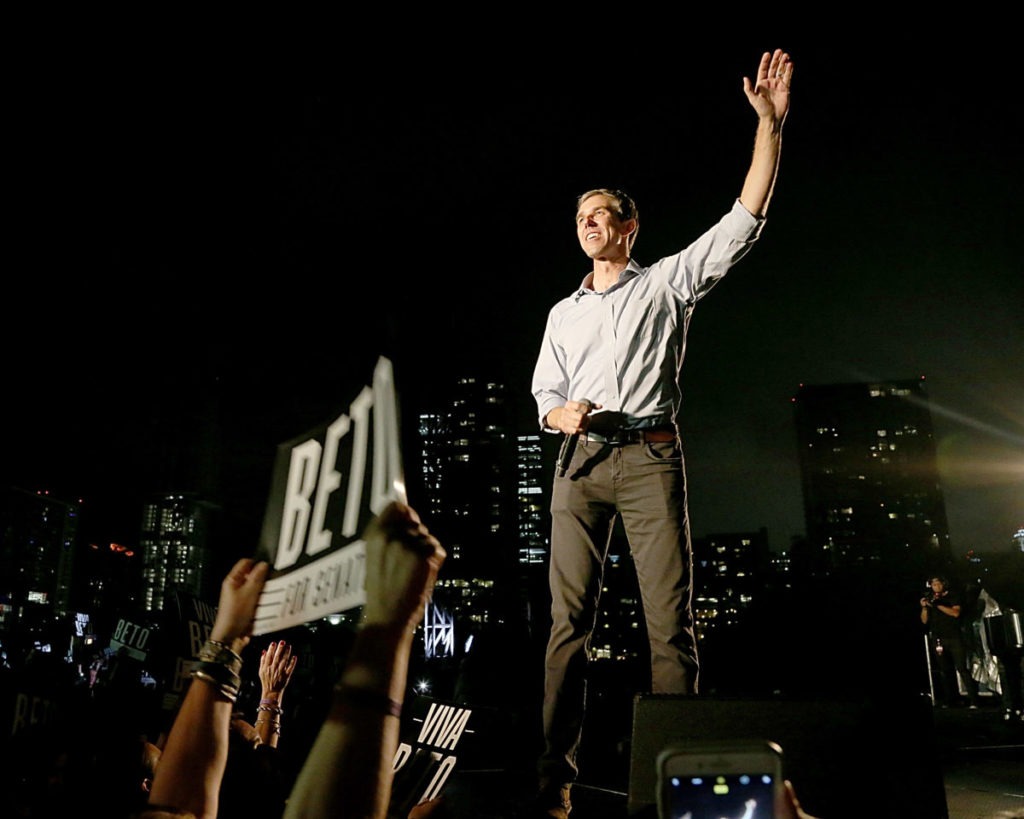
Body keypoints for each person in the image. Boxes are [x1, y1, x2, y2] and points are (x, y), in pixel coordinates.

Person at [529, 48, 793, 818]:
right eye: (579, 217)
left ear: (628, 226)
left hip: (649, 457)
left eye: (600, 214)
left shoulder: (669, 282)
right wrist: (560, 415)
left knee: (669, 626)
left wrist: (769, 127)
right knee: (564, 628)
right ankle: (553, 783)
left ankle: (678, 784)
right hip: (579, 463)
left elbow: (746, 218)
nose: (587, 225)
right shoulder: (561, 313)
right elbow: (542, 393)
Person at [920, 574, 980, 709]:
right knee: (945, 670)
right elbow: (924, 620)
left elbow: (955, 613)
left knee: (962, 668)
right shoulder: (932, 599)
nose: (936, 587)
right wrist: (925, 607)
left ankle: (974, 699)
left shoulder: (953, 596)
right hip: (938, 638)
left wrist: (938, 605)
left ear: (944, 584)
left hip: (954, 637)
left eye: (938, 584)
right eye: (933, 585)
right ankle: (951, 700)